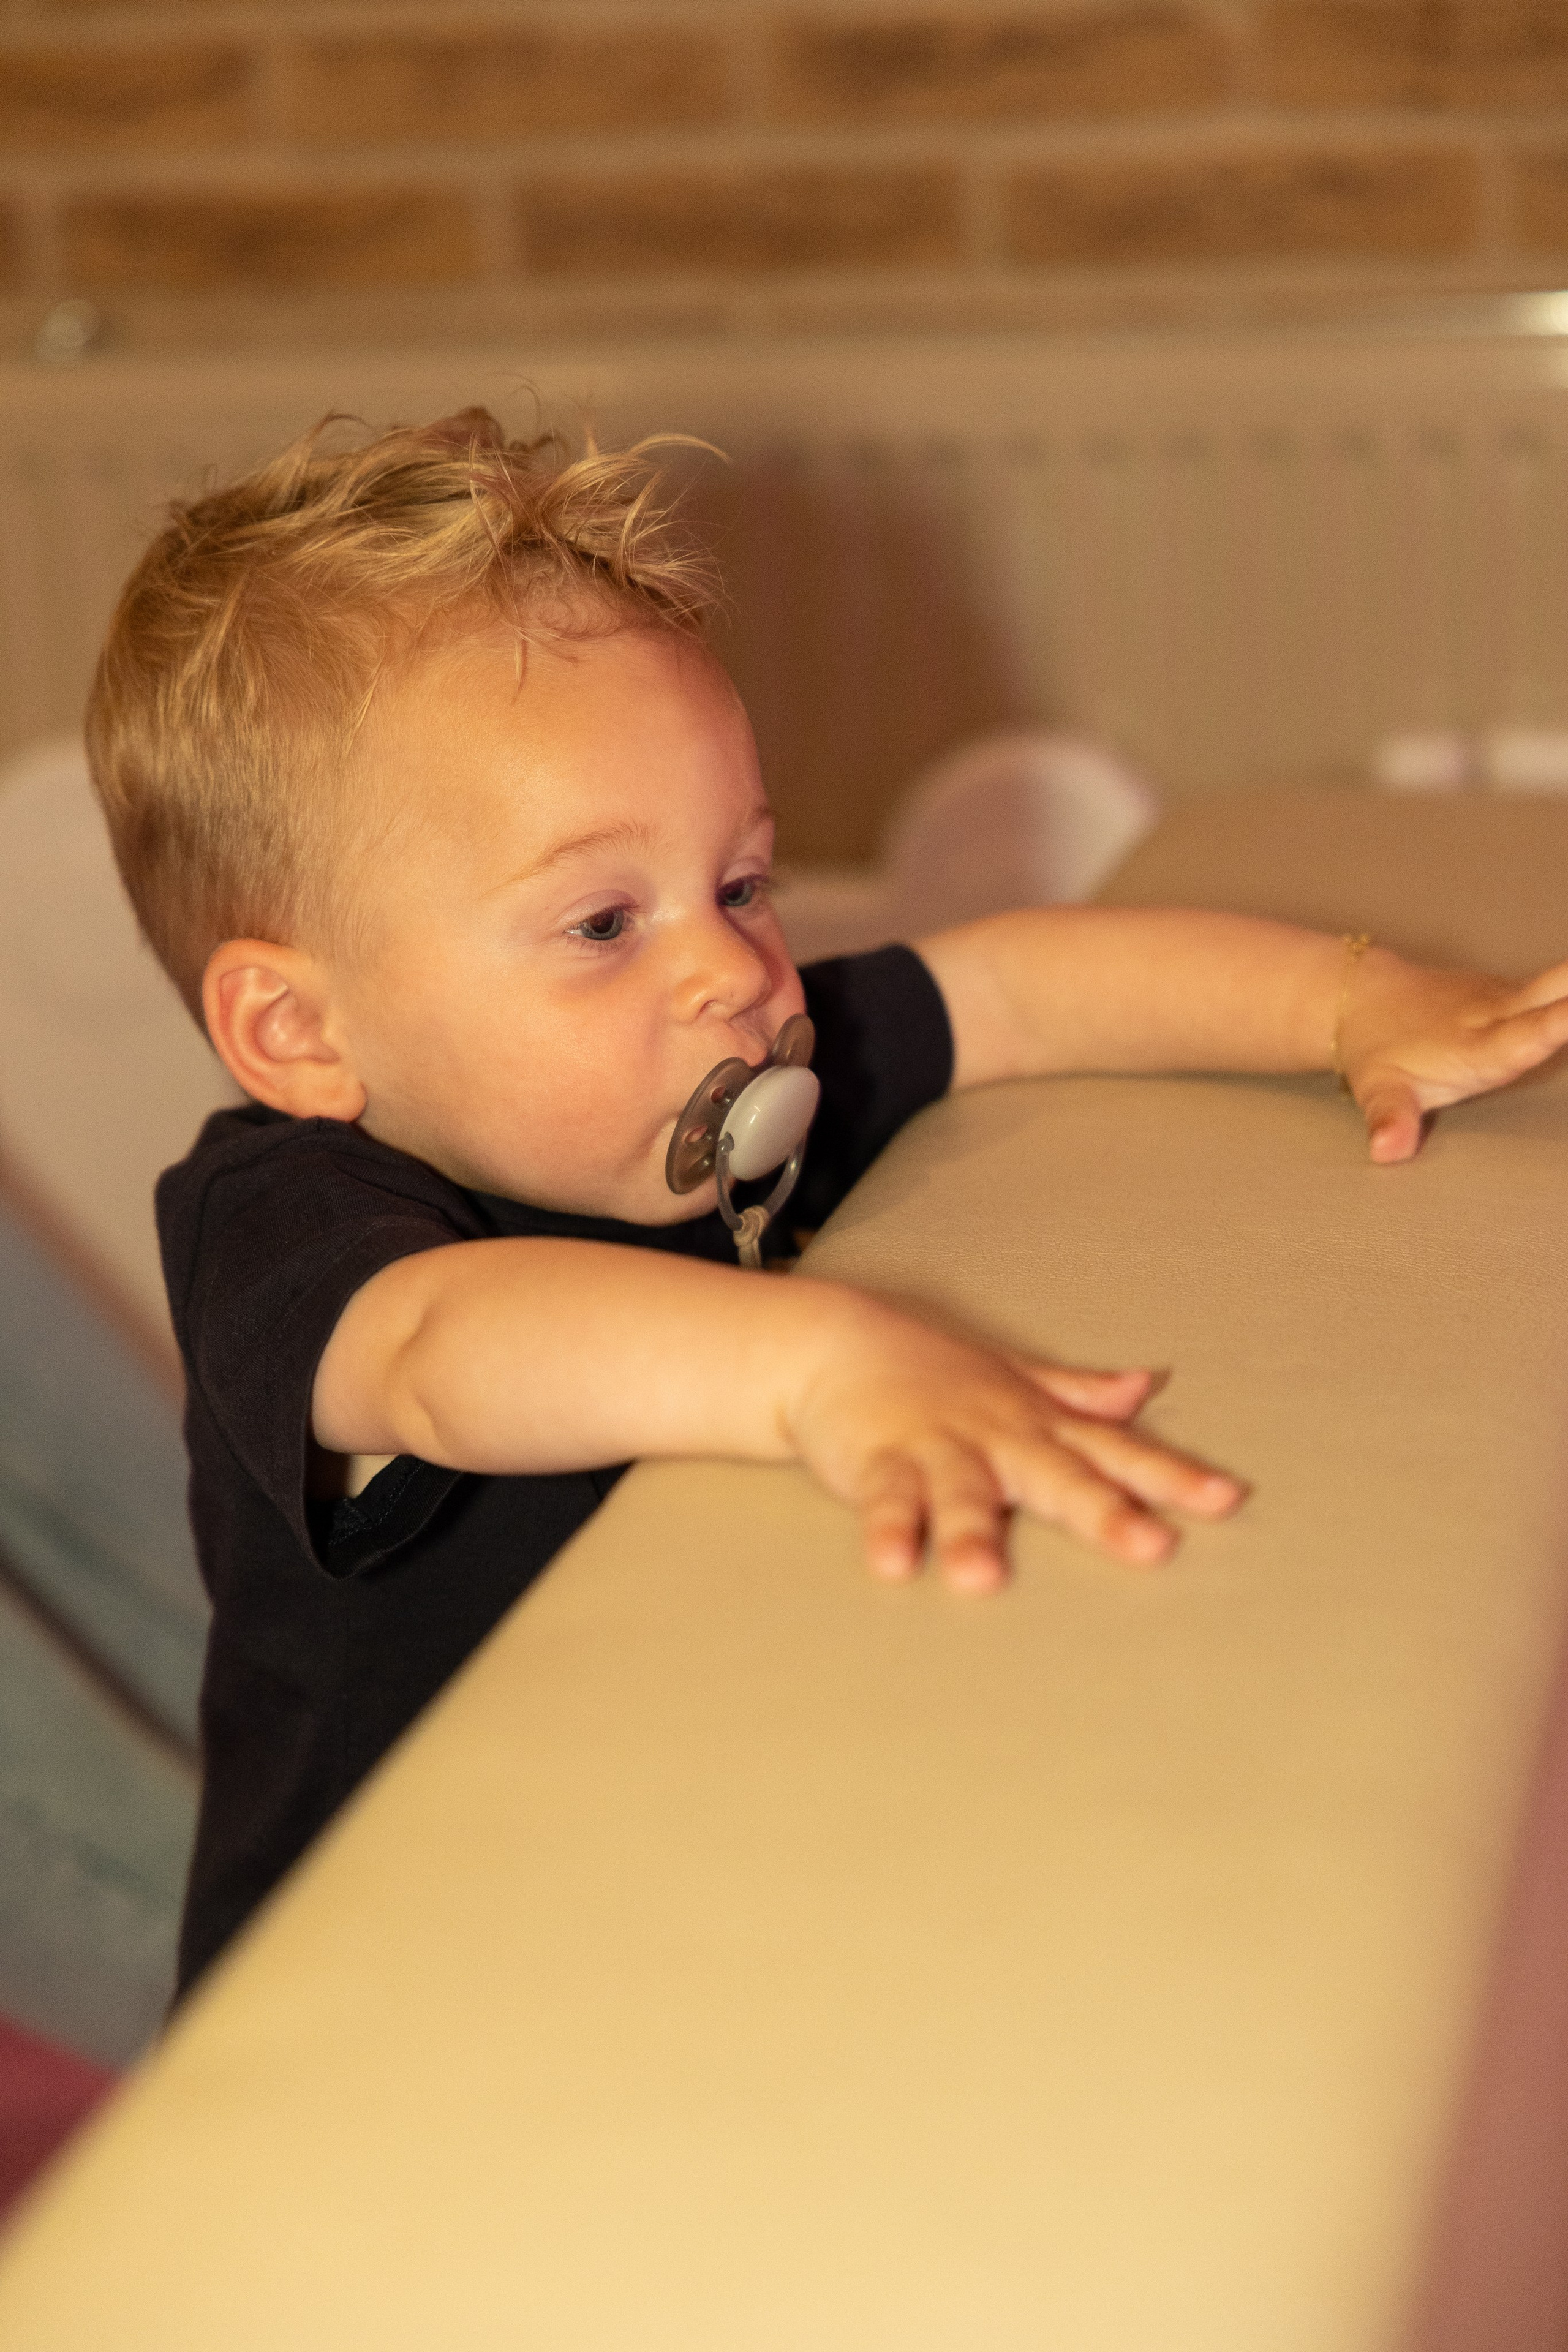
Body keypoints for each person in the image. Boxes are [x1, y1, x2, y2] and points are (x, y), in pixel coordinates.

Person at [85, 409, 1568, 1997]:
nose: (728, 969)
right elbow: (445, 1352)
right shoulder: (282, 1221)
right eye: (603, 923)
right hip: (385, 1996)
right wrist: (822, 1365)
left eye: (741, 884)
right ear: (299, 1033)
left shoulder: (718, 1085)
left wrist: (1350, 1004)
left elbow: (1016, 989)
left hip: (690, 1865)